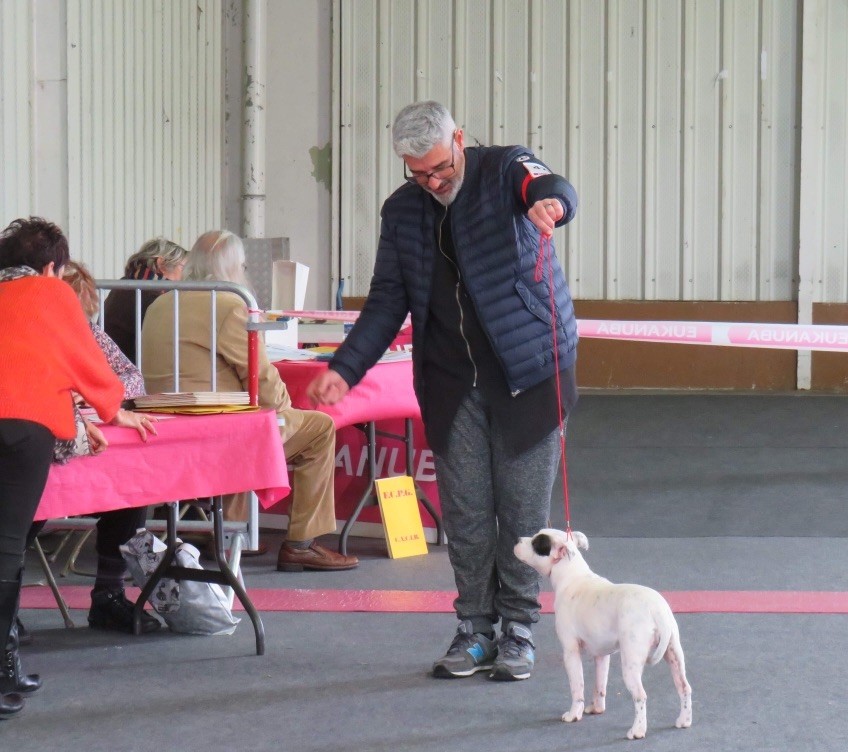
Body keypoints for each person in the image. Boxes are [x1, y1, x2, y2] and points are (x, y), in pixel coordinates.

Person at [306, 101, 579, 681]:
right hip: (452, 383)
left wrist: (553, 202)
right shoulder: (402, 211)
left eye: (440, 169)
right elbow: (386, 301)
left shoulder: (505, 169)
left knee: (524, 514)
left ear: (459, 138)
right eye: (418, 173)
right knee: (468, 514)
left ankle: (520, 631)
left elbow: (548, 184)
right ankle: (474, 629)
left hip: (529, 374)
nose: (432, 182)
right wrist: (346, 368)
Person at [0, 217, 151, 719]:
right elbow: (90, 365)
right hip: (23, 427)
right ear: (50, 266)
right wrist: (111, 409)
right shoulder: (50, 293)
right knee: (6, 546)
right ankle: (2, 672)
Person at [140, 230, 358, 572]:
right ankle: (302, 542)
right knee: (317, 427)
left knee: (245, 410)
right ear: (234, 267)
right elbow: (261, 375)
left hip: (164, 428)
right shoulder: (228, 303)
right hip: (216, 433)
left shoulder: (161, 302)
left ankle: (226, 532)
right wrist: (286, 412)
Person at [55, 261, 162, 633]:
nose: (81, 323)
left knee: (131, 487)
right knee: (28, 505)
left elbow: (132, 376)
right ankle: (8, 605)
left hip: (91, 440)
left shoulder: (91, 335)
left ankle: (109, 594)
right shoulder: (32, 335)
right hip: (48, 447)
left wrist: (101, 400)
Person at [102, 238, 188, 365]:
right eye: (183, 268)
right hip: (128, 375)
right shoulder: (148, 295)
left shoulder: (129, 285)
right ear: (162, 265)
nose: (185, 276)